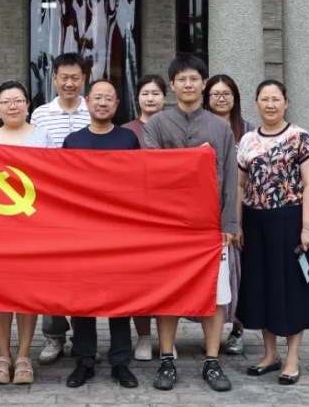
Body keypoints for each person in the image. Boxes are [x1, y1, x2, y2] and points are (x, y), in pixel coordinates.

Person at [143, 55, 238, 393]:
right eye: (181, 79)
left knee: (216, 294)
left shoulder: (220, 128)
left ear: (203, 84)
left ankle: (212, 360)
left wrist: (229, 222)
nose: (188, 84)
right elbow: (152, 171)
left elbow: (229, 177)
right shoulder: (156, 125)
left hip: (210, 225)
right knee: (168, 293)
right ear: (172, 85)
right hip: (168, 226)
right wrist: (194, 159)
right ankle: (167, 358)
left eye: (194, 78)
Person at [237, 79, 309, 386]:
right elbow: (240, 185)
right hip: (255, 221)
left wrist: (307, 226)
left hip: (290, 221)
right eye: (264, 99)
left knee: (291, 287)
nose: (270, 104)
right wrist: (238, 224)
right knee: (262, 286)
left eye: (276, 99)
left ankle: (292, 358)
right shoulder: (247, 140)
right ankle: (270, 353)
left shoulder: (300, 137)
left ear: (286, 103)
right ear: (256, 103)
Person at [61, 79, 140, 389]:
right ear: (87, 102)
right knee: (83, 298)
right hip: (82, 232)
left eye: (109, 98)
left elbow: (139, 182)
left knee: (119, 297)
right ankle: (84, 360)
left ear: (117, 104)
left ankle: (120, 361)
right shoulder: (73, 141)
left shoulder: (128, 139)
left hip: (120, 232)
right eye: (97, 98)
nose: (103, 103)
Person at [0, 81, 53, 385]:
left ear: (27, 105)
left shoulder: (43, 136)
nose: (12, 106)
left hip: (32, 226)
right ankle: (3, 354)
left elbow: (54, 178)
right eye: (6, 101)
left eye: (18, 100)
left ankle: (24, 354)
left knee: (26, 291)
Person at [29, 52, 91, 365]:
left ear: (84, 80)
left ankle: (83, 335)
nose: (69, 83)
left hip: (86, 205)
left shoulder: (94, 110)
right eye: (63, 77)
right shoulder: (40, 115)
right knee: (50, 271)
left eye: (75, 78)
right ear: (54, 79)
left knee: (83, 270)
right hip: (49, 204)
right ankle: (54, 335)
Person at [202, 74, 252, 357]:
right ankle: (212, 334)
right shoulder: (200, 128)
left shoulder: (249, 131)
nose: (221, 99)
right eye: (215, 94)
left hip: (244, 210)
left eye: (226, 94)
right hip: (210, 213)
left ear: (235, 98)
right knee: (217, 276)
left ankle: (238, 330)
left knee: (242, 274)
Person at [121, 74, 168, 361]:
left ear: (165, 97)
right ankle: (143, 336)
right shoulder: (126, 132)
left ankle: (166, 337)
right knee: (138, 279)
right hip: (134, 216)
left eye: (155, 93)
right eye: (145, 93)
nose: (150, 98)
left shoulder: (174, 127)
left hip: (167, 215)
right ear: (137, 97)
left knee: (165, 279)